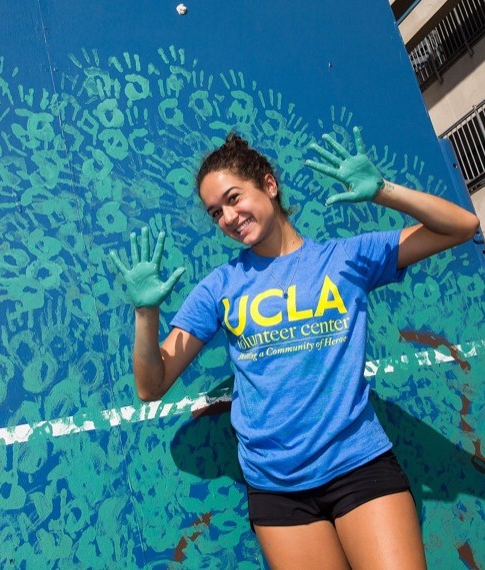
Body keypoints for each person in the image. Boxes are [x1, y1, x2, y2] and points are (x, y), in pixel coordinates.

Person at [110, 127, 480, 570]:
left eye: (233, 198)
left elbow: (462, 226)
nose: (228, 217)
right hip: (277, 489)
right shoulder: (219, 287)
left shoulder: (346, 259)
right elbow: (151, 385)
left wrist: (384, 190)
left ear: (268, 184)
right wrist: (146, 314)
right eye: (215, 212)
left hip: (359, 465)